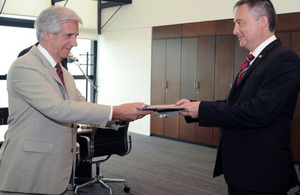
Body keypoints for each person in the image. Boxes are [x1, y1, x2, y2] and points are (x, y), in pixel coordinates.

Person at [0, 6, 152, 195]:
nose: (75, 43)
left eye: (76, 36)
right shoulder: (25, 66)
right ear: (47, 34)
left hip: (57, 172)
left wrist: (126, 115)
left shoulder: (63, 72)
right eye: (69, 36)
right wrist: (117, 111)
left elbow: (80, 105)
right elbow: (59, 109)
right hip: (29, 172)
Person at [176, 0, 300, 194]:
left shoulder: (283, 58)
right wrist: (195, 107)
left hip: (261, 174)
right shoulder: (257, 59)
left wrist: (202, 110)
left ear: (263, 22)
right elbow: (236, 104)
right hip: (243, 170)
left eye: (240, 22)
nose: (234, 30)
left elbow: (259, 111)